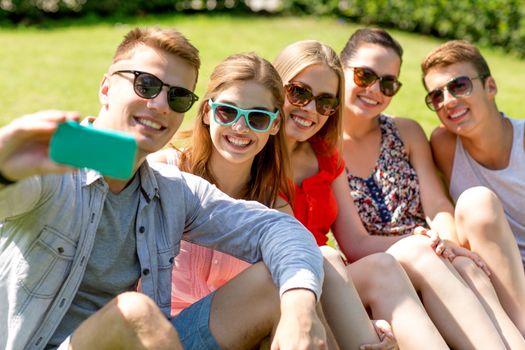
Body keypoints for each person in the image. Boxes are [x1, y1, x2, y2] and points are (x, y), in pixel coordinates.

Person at [0, 27, 328, 350]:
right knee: (134, 313)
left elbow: (279, 228)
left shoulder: (173, 191)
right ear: (105, 89)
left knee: (279, 282)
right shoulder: (52, 168)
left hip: (152, 342)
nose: (160, 105)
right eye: (146, 84)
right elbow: (11, 193)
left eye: (177, 96)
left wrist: (300, 310)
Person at [150, 52, 397, 349]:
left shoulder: (273, 203)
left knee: (314, 263)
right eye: (228, 112)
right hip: (161, 333)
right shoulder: (166, 170)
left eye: (256, 118)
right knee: (280, 282)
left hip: (240, 333)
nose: (240, 127)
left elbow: (299, 264)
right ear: (206, 112)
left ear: (275, 124)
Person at [338, 27, 525, 348]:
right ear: (340, 71)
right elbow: (354, 242)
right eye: (364, 75)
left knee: (468, 268)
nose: (374, 90)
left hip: (431, 248)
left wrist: (447, 244)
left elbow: (437, 205)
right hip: (387, 260)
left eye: (387, 83)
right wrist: (425, 244)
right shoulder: (327, 148)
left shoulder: (406, 132)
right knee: (429, 256)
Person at [273, 39, 451, 350]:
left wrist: (431, 242)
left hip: (327, 275)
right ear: (275, 85)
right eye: (298, 93)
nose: (311, 110)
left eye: (325, 102)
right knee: (366, 264)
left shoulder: (325, 156)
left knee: (404, 260)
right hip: (283, 285)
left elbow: (355, 242)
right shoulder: (251, 151)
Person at [423, 39, 525, 334]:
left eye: (459, 86)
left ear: (490, 87)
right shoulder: (443, 144)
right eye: (436, 96)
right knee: (475, 202)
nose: (448, 101)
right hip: (493, 277)